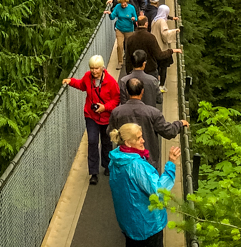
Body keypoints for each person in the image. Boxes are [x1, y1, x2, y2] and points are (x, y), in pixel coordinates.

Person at [108, 122, 180, 247]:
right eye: (138, 138)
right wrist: (171, 165)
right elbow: (158, 191)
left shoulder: (116, 159)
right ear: (127, 143)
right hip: (147, 224)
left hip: (128, 222)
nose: (143, 140)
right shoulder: (136, 165)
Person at [62, 54, 120, 185]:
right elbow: (82, 85)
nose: (94, 71)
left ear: (102, 68)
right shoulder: (88, 77)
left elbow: (116, 99)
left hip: (106, 117)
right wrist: (70, 81)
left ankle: (107, 165)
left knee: (106, 142)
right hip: (91, 115)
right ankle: (93, 172)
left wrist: (105, 107)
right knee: (93, 142)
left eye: (97, 68)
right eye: (92, 68)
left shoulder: (111, 82)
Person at [108, 77, 188, 170]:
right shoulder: (153, 112)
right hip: (148, 160)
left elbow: (111, 132)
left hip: (124, 159)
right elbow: (168, 131)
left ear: (126, 92)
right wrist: (179, 124)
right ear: (142, 91)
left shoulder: (117, 112)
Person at [104, 0, 138, 67]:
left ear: (127, 2)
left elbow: (136, 18)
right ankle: (120, 62)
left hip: (129, 29)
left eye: (124, 3)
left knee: (129, 45)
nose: (123, 4)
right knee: (120, 46)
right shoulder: (117, 7)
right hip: (119, 29)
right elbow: (113, 17)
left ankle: (130, 60)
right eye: (122, 3)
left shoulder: (131, 8)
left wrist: (134, 19)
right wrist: (109, 14)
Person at [151, 4, 180, 93]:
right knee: (163, 68)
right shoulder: (162, 21)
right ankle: (161, 86)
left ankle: (155, 84)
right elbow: (165, 34)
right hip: (162, 48)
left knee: (156, 67)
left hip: (154, 47)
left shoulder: (154, 20)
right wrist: (175, 31)